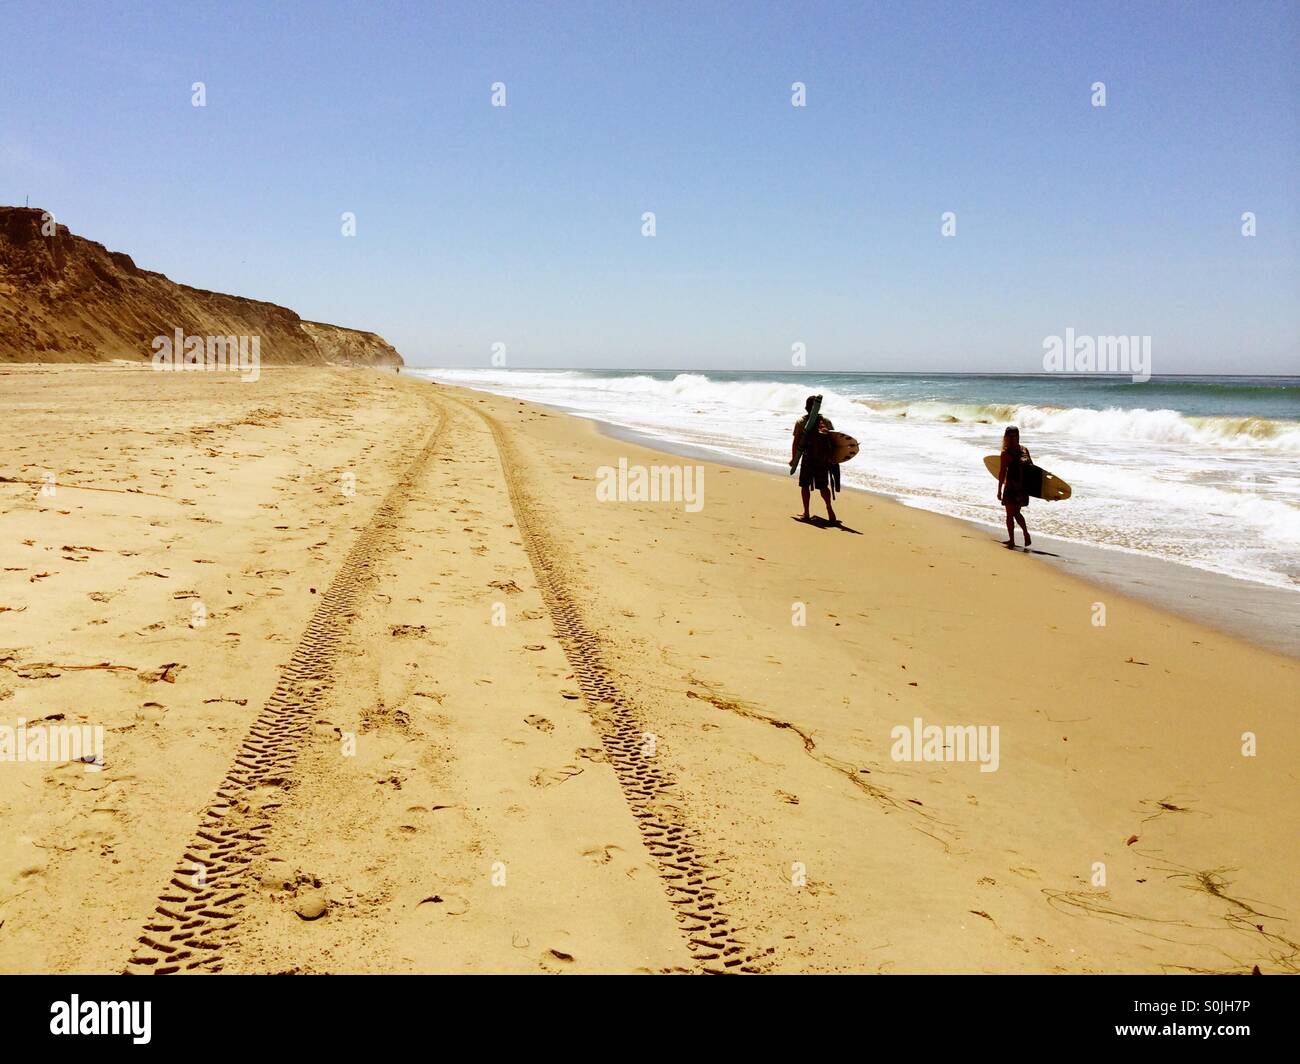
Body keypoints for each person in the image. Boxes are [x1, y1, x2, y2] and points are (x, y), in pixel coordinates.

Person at [792, 395, 838, 524]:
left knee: (804, 485)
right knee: (824, 486)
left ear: (806, 407)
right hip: (823, 459)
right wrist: (833, 458)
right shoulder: (826, 421)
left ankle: (806, 512)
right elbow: (835, 441)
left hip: (808, 458)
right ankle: (829, 509)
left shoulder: (801, 422)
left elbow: (796, 442)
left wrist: (794, 459)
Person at [997, 425, 1032, 548]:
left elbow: (1002, 473)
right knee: (1016, 513)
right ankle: (1025, 533)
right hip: (1022, 487)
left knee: (1010, 514)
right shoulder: (1024, 450)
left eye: (1013, 436)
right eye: (1010, 436)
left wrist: (999, 490)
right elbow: (1032, 469)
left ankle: (1012, 540)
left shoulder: (1005, 453)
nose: (1012, 438)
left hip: (1012, 487)